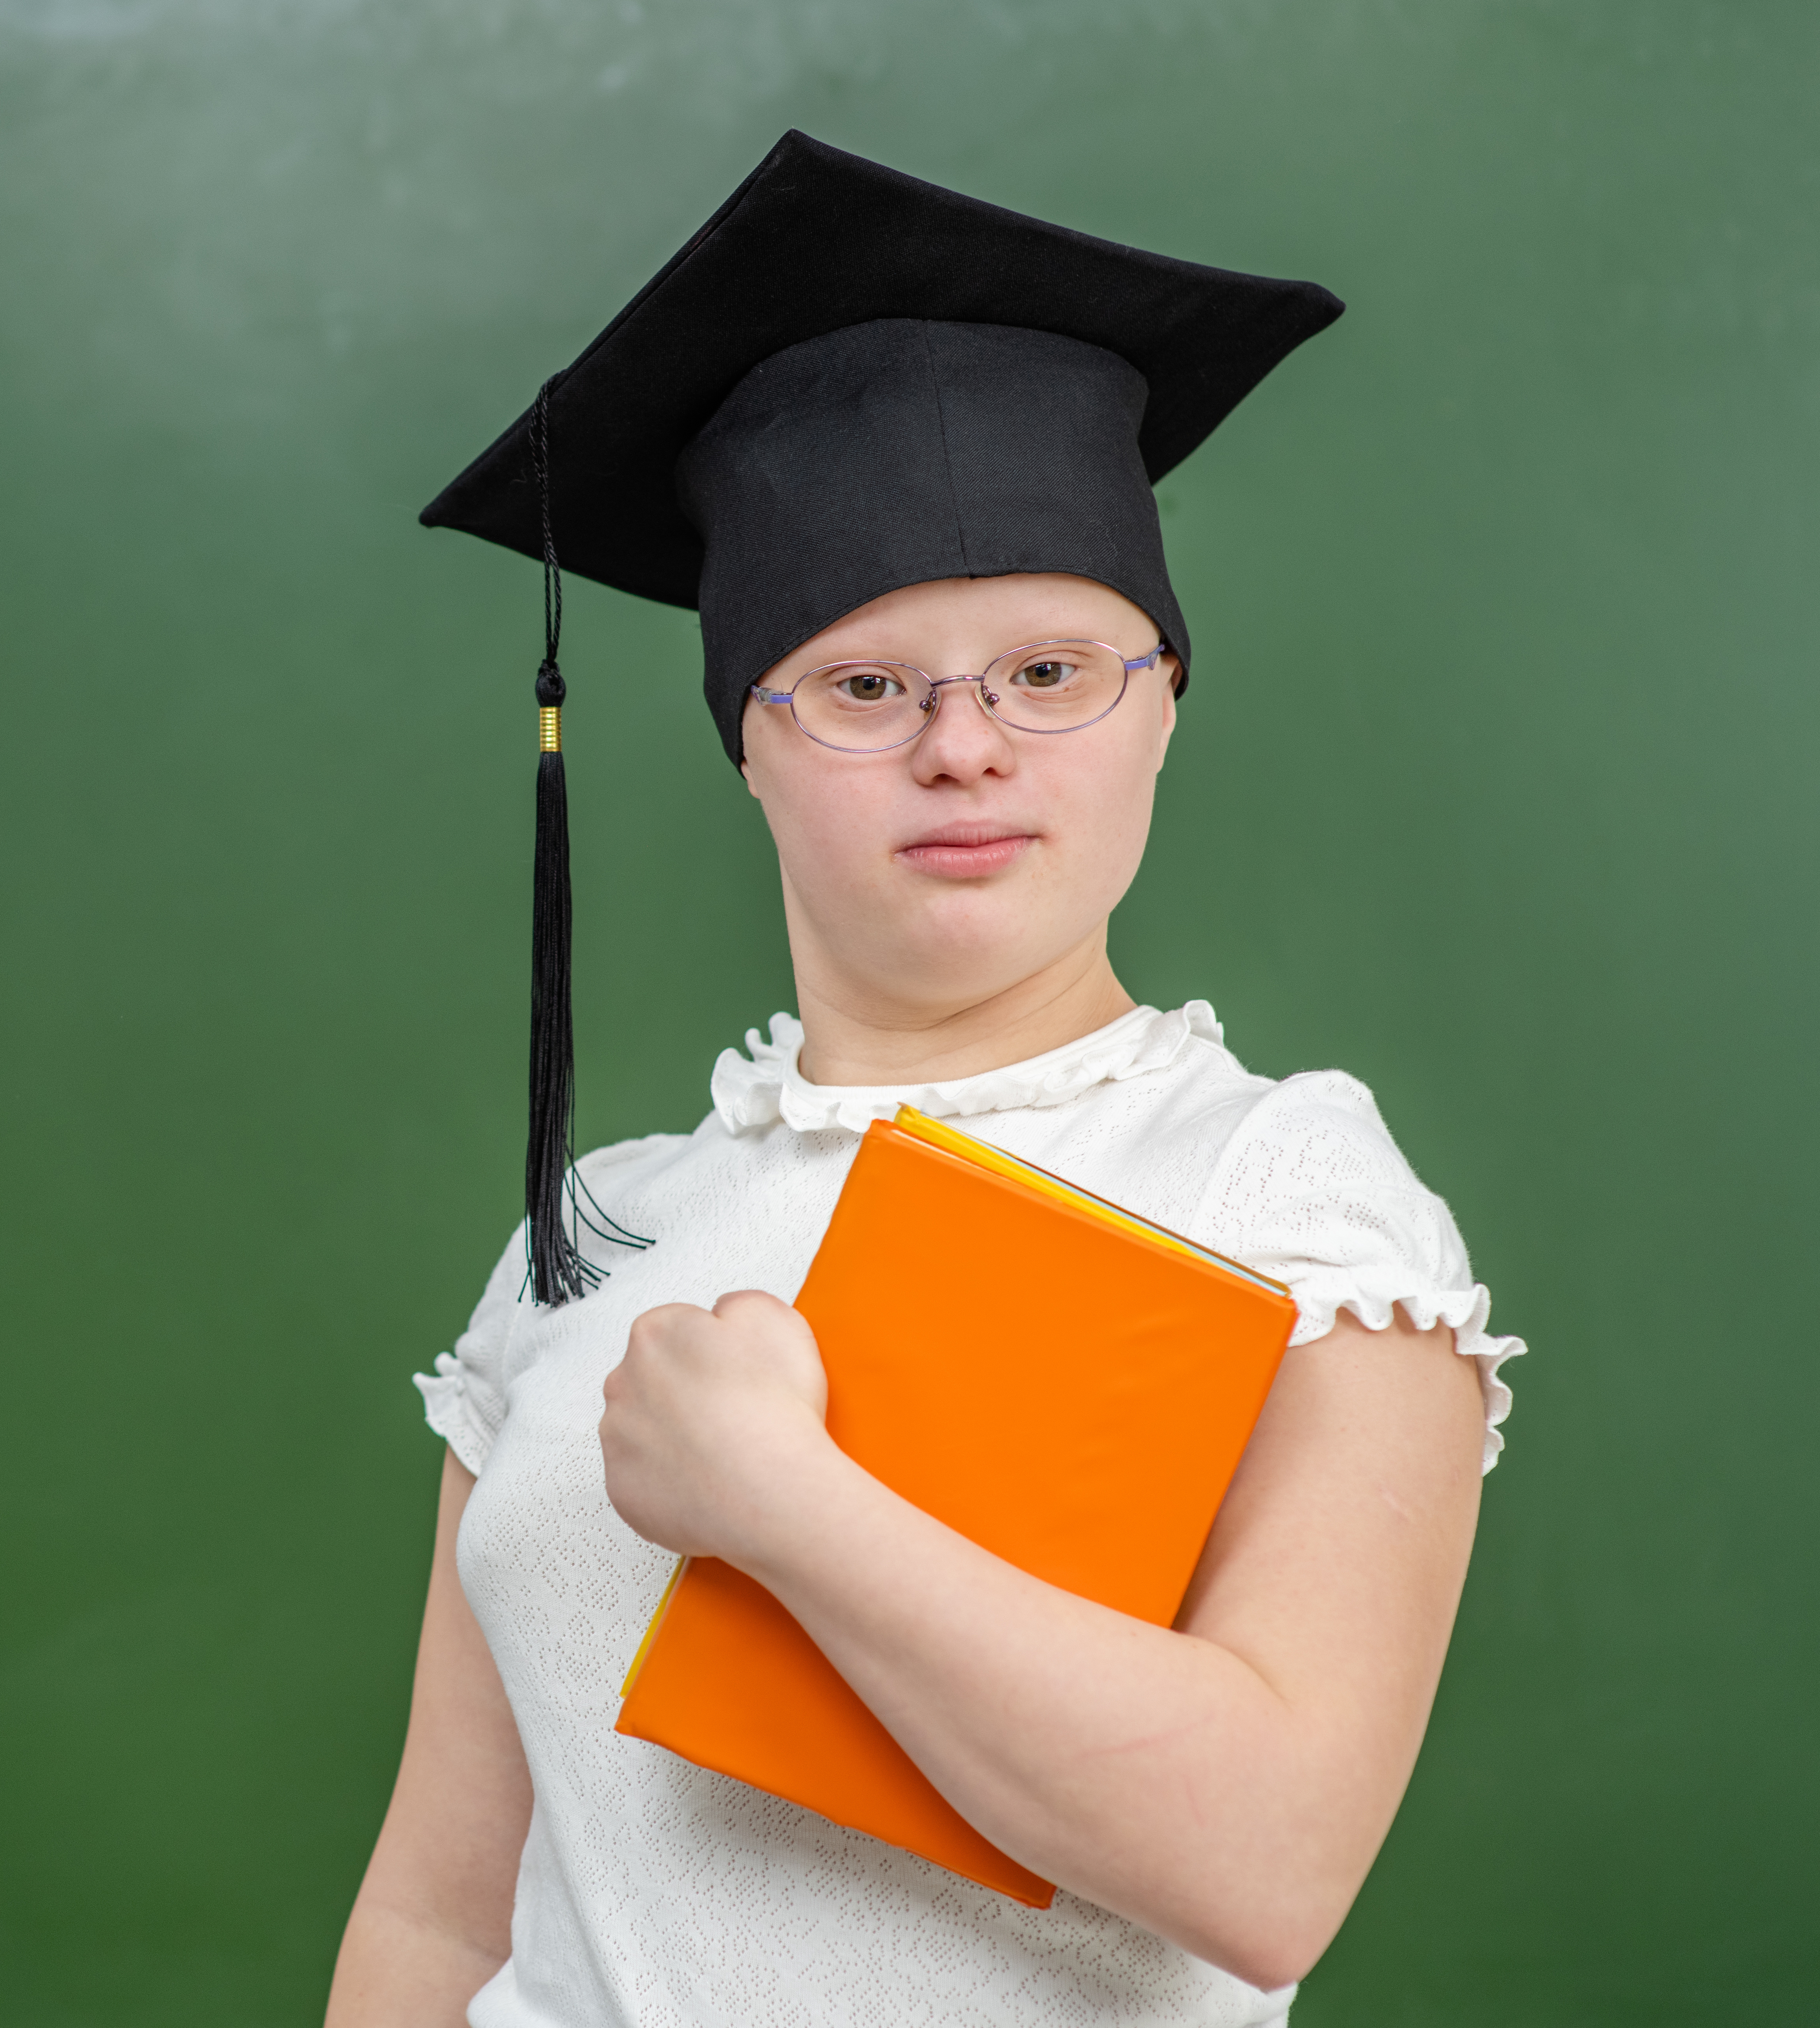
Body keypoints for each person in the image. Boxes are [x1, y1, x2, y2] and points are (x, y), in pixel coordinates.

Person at [325, 135, 1522, 2028]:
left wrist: (781, 1501)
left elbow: (1266, 1862)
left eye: (1048, 670)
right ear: (746, 740)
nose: (964, 747)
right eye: (865, 687)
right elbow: (429, 1910)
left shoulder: (1282, 1192)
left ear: (1161, 708)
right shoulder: (597, 1231)